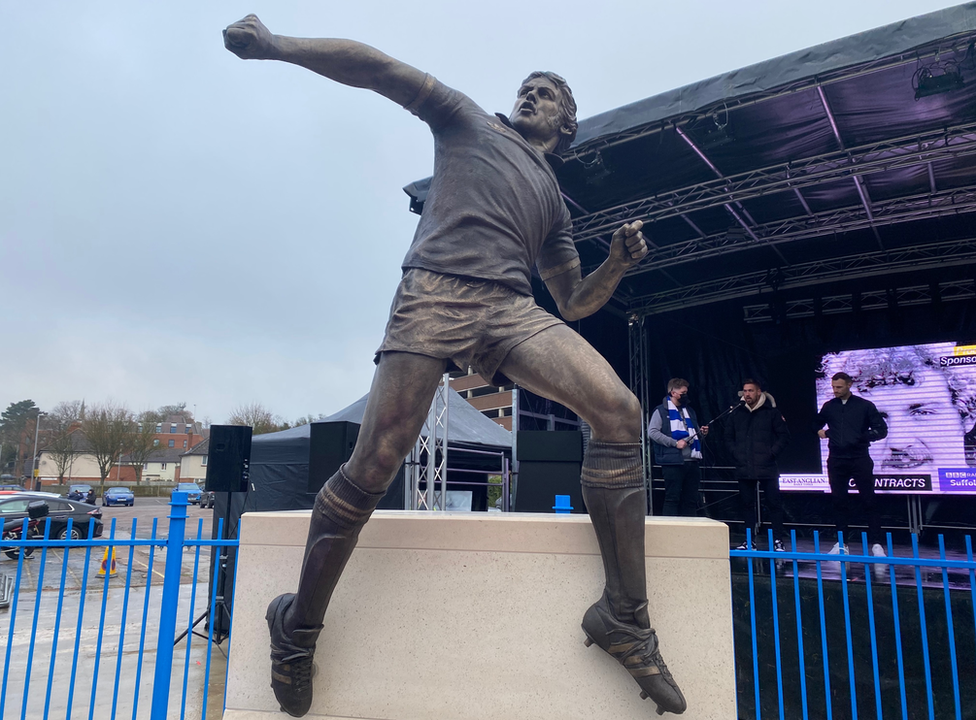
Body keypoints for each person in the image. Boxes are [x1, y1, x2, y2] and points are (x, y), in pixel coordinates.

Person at [223, 14, 686, 717]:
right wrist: (277, 45)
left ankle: (625, 615)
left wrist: (616, 266)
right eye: (525, 88)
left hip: (508, 311)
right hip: (434, 292)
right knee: (375, 463)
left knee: (620, 414)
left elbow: (572, 301)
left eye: (546, 94)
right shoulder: (470, 121)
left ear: (566, 128)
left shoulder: (554, 206)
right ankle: (297, 628)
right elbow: (380, 69)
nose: (529, 96)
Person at [815, 372, 888, 556]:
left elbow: (881, 430)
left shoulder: (864, 406)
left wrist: (860, 437)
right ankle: (841, 544)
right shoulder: (829, 406)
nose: (835, 390)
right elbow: (815, 423)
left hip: (859, 458)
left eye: (839, 387)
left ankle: (877, 544)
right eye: (833, 387)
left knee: (868, 500)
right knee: (839, 501)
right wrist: (820, 431)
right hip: (837, 460)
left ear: (849, 385)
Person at [725, 379, 790, 550]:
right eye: (745, 391)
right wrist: (736, 453)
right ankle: (749, 541)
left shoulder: (771, 413)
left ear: (759, 392)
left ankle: (777, 540)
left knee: (774, 504)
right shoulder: (736, 413)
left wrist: (772, 453)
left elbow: (784, 436)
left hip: (767, 466)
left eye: (750, 391)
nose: (747, 394)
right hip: (744, 466)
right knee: (747, 505)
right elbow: (728, 437)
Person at [648, 378, 708, 517]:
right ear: (673, 392)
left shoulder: (690, 411)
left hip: (692, 461)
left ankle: (689, 532)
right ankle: (669, 533)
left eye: (686, 392)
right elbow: (652, 432)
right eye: (683, 393)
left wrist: (703, 433)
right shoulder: (661, 411)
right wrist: (674, 443)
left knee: (691, 500)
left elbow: (695, 433)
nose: (686, 395)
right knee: (672, 498)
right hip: (672, 462)